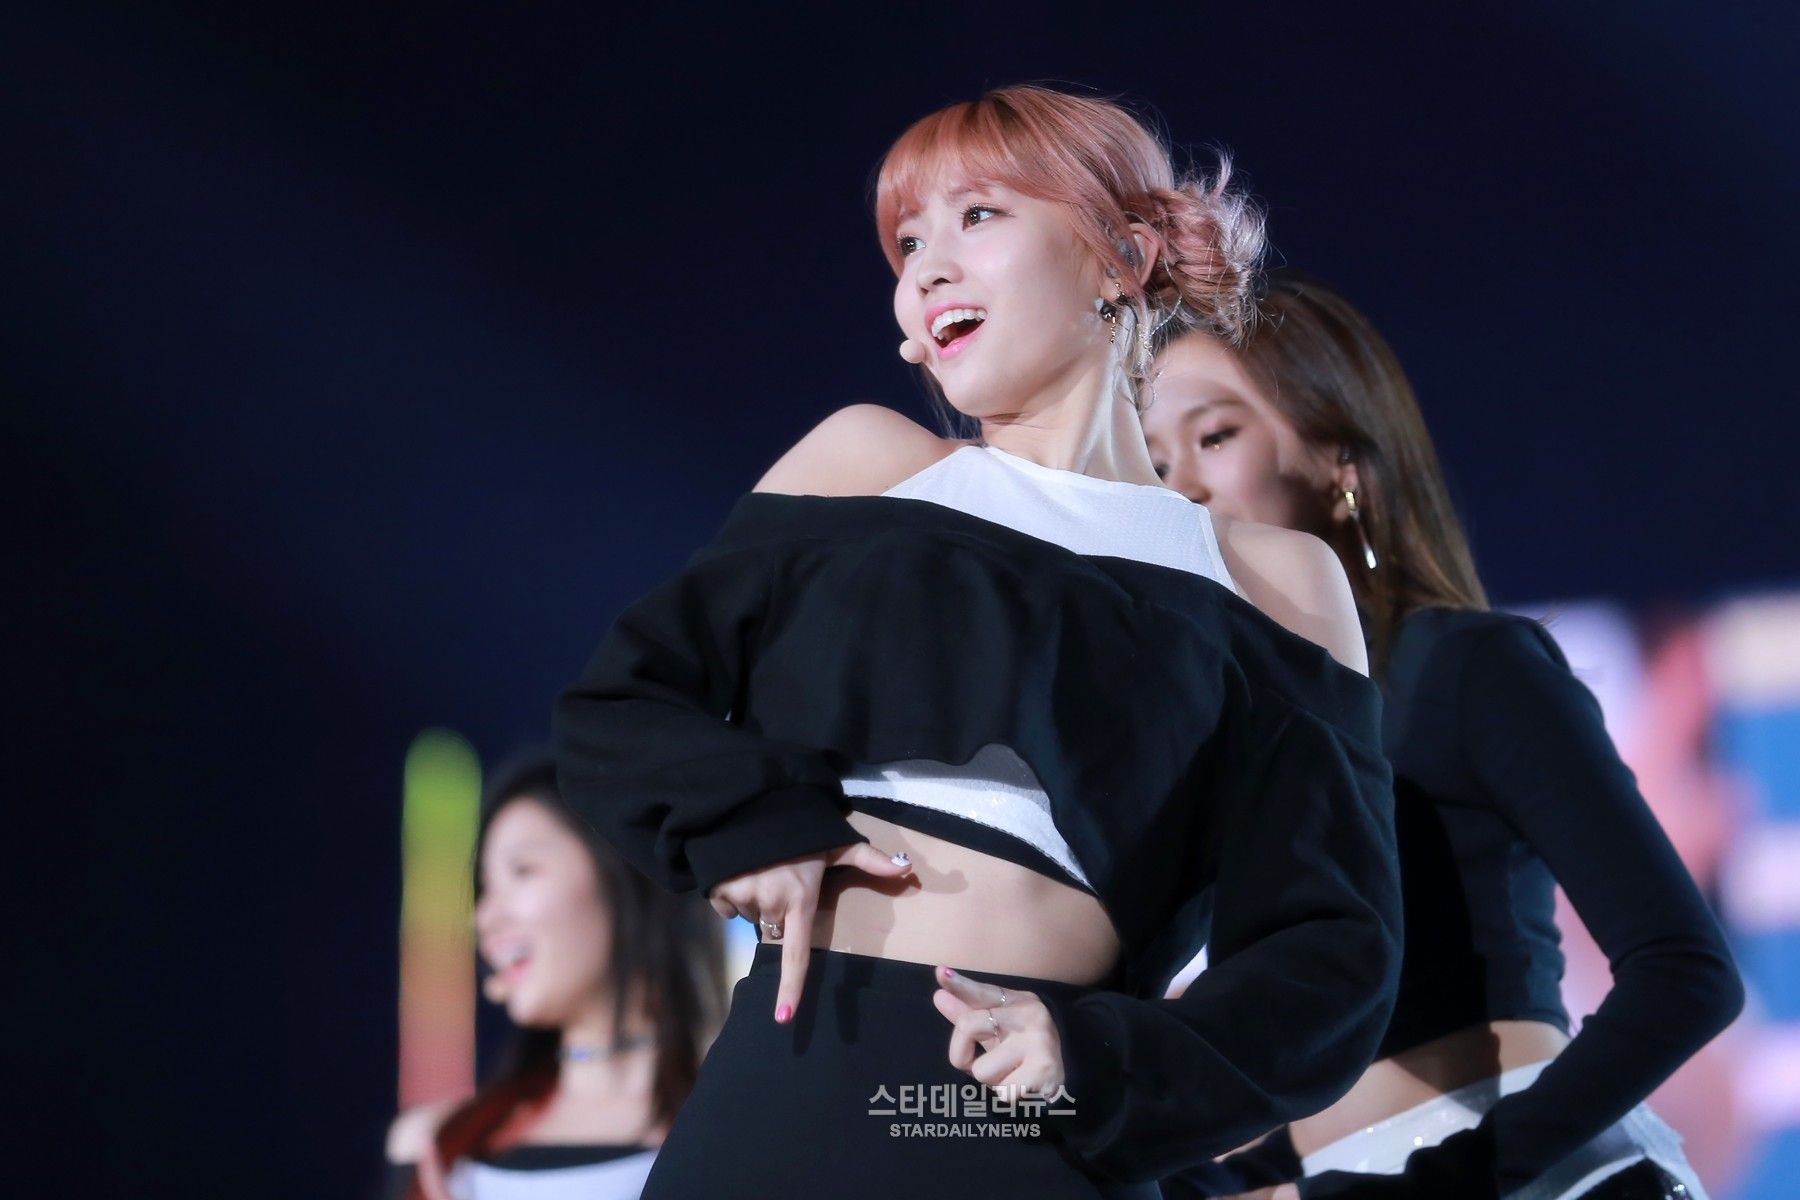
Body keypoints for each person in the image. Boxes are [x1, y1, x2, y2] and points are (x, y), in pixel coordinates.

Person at [554, 85, 1403, 1198]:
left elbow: (1330, 953)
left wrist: (1097, 1061)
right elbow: (624, 699)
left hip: (1029, 1119)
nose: (927, 269)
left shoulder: (1272, 582)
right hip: (794, 1080)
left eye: (978, 216)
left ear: (1123, 254)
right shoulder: (865, 466)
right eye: (909, 243)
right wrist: (744, 823)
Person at [1143, 272, 1744, 1199]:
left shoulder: (1465, 666)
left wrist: (1452, 1181)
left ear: (1340, 460)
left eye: (1215, 437)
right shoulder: (1223, 736)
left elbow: (1687, 976)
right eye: (1152, 464)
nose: (1178, 487)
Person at [385, 752, 728, 1199]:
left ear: (620, 873)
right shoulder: (440, 1142)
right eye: (484, 888)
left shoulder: (729, 1129)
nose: (484, 918)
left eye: (523, 871)